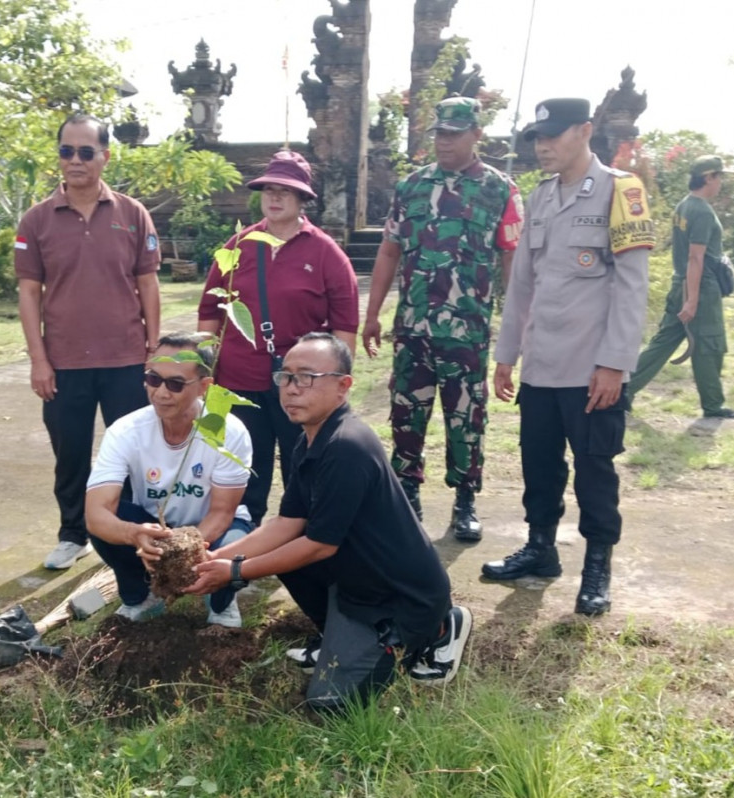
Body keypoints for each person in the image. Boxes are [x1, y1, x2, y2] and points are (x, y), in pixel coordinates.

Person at [183, 332, 472, 711]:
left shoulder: (346, 446)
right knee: (285, 553)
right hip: (358, 582)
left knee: (330, 705)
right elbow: (287, 523)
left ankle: (439, 628)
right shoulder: (310, 439)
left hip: (400, 598)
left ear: (343, 386)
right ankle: (337, 633)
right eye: (285, 377)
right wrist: (212, 558)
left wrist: (236, 572)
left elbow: (321, 545)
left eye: (306, 377)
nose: (291, 389)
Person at [482, 98, 653, 617]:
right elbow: (523, 286)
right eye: (537, 137)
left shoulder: (621, 191)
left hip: (591, 367)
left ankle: (597, 565)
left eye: (553, 135)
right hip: (542, 364)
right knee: (539, 464)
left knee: (594, 470)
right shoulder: (539, 197)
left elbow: (632, 286)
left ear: (585, 131)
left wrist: (614, 364)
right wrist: (507, 354)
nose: (543, 146)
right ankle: (541, 548)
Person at [361, 96, 523, 543]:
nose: (445, 141)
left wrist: (516, 323)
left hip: (467, 330)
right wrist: (372, 314)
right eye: (440, 133)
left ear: (477, 135)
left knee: (466, 417)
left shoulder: (500, 189)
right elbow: (389, 250)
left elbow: (512, 260)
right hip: (413, 327)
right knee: (406, 413)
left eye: (454, 133)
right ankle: (407, 493)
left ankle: (465, 499)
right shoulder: (411, 187)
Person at [16, 112, 161, 570]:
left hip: (125, 359)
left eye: (85, 152)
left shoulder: (131, 213)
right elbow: (28, 293)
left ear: (104, 156)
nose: (74, 161)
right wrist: (39, 360)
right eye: (66, 151)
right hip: (64, 362)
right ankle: (72, 533)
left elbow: (148, 283)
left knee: (134, 453)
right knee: (71, 453)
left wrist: (154, 348)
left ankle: (132, 532)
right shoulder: (37, 220)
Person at [197, 150, 359, 526]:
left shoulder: (326, 253)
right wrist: (202, 370)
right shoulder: (237, 247)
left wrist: (334, 388)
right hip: (237, 382)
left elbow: (344, 328)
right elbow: (209, 314)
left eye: (285, 191)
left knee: (301, 469)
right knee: (240, 473)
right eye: (269, 189)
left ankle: (297, 546)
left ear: (303, 198)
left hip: (300, 386)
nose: (274, 197)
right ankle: (238, 546)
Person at [84, 332, 253, 627]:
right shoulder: (125, 431)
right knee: (110, 524)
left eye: (175, 384)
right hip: (154, 527)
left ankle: (221, 603)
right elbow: (95, 514)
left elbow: (222, 512)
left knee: (238, 544)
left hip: (210, 530)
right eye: (153, 379)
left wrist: (188, 549)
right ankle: (142, 597)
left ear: (204, 387)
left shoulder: (228, 430)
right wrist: (134, 534)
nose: (161, 393)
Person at [625, 155, 734, 420]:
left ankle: (624, 390)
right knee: (709, 345)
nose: (721, 183)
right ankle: (713, 406)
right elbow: (695, 257)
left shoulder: (683, 206)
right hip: (700, 287)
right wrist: (692, 301)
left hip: (681, 283)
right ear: (708, 178)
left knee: (663, 342)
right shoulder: (702, 211)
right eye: (719, 177)